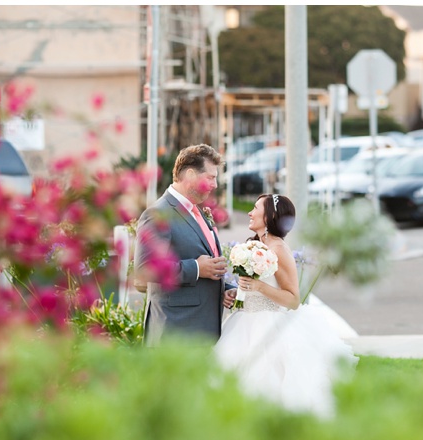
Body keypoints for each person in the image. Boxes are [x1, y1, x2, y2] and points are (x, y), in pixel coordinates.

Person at [215, 194, 358, 419]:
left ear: (270, 216)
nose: (250, 213)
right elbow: (252, 287)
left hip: (271, 324)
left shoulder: (279, 249)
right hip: (244, 322)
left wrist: (259, 287)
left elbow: (293, 299)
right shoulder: (254, 245)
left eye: (254, 208)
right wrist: (237, 293)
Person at [133, 144, 235, 346]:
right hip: (174, 333)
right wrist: (197, 268)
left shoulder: (197, 212)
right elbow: (145, 270)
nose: (215, 184)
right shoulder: (158, 214)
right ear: (190, 174)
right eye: (211, 177)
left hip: (201, 330)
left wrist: (224, 288)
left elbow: (203, 263)